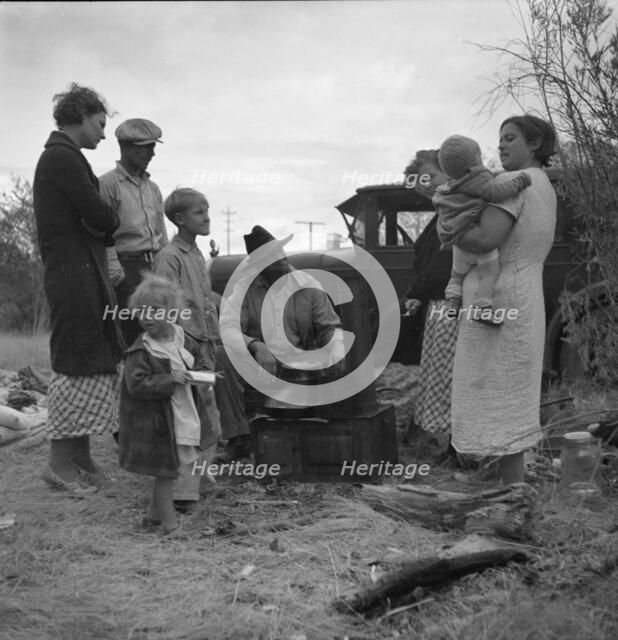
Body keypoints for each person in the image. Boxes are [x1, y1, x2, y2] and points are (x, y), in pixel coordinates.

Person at [450, 114, 557, 485]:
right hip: (523, 295)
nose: (501, 145)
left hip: (498, 299)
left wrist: (446, 226)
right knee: (508, 392)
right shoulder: (543, 184)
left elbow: (483, 241)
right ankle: (507, 485)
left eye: (510, 138)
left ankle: (507, 492)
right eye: (500, 139)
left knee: (494, 388)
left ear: (535, 144)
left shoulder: (512, 184)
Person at [33, 83, 124, 494]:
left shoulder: (68, 158)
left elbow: (99, 222)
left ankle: (80, 454)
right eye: (100, 124)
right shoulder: (61, 159)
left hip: (81, 272)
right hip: (73, 276)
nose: (104, 134)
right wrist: (102, 221)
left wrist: (99, 223)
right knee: (75, 360)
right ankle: (57, 462)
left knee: (92, 354)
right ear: (80, 115)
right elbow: (104, 218)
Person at [216, 225, 345, 461]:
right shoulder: (244, 287)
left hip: (301, 365)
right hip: (260, 366)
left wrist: (334, 346)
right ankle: (239, 438)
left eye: (280, 254)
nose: (280, 261)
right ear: (258, 267)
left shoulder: (308, 284)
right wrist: (256, 345)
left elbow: (329, 327)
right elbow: (227, 327)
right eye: (271, 258)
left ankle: (326, 432)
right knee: (221, 355)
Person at [118, 273, 214, 536]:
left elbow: (200, 361)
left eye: (154, 310)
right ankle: (170, 526)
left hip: (183, 415)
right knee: (167, 473)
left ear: (171, 312)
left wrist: (205, 376)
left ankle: (151, 517)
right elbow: (136, 385)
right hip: (160, 423)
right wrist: (169, 379)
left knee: (169, 469)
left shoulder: (182, 338)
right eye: (141, 311)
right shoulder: (141, 351)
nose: (147, 316)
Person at [153, 188, 221, 505]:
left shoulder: (196, 254)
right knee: (188, 420)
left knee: (209, 416)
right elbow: (164, 305)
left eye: (207, 210)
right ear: (179, 219)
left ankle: (202, 481)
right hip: (185, 350)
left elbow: (204, 300)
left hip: (204, 345)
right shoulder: (170, 258)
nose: (206, 216)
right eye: (199, 212)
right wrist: (177, 352)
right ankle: (182, 491)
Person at [433, 135, 532, 325]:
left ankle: (452, 302)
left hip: (458, 245)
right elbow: (495, 192)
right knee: (489, 274)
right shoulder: (478, 178)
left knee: (456, 275)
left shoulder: (446, 188)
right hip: (477, 244)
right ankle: (482, 307)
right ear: (475, 160)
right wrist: (520, 181)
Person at [402, 150, 457, 451]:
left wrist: (416, 292)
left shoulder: (457, 210)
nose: (426, 186)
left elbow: (445, 262)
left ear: (449, 170)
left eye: (430, 177)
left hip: (452, 305)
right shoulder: (441, 212)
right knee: (441, 377)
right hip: (438, 306)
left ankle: (459, 446)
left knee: (452, 377)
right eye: (422, 183)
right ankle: (450, 444)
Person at [99, 118, 168, 346]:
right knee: (128, 333)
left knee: (158, 334)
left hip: (153, 270)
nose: (152, 154)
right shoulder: (108, 185)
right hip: (125, 268)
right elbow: (100, 235)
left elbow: (161, 234)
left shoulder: (153, 188)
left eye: (153, 147)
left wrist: (165, 269)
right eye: (146, 147)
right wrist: (117, 275)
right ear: (127, 147)